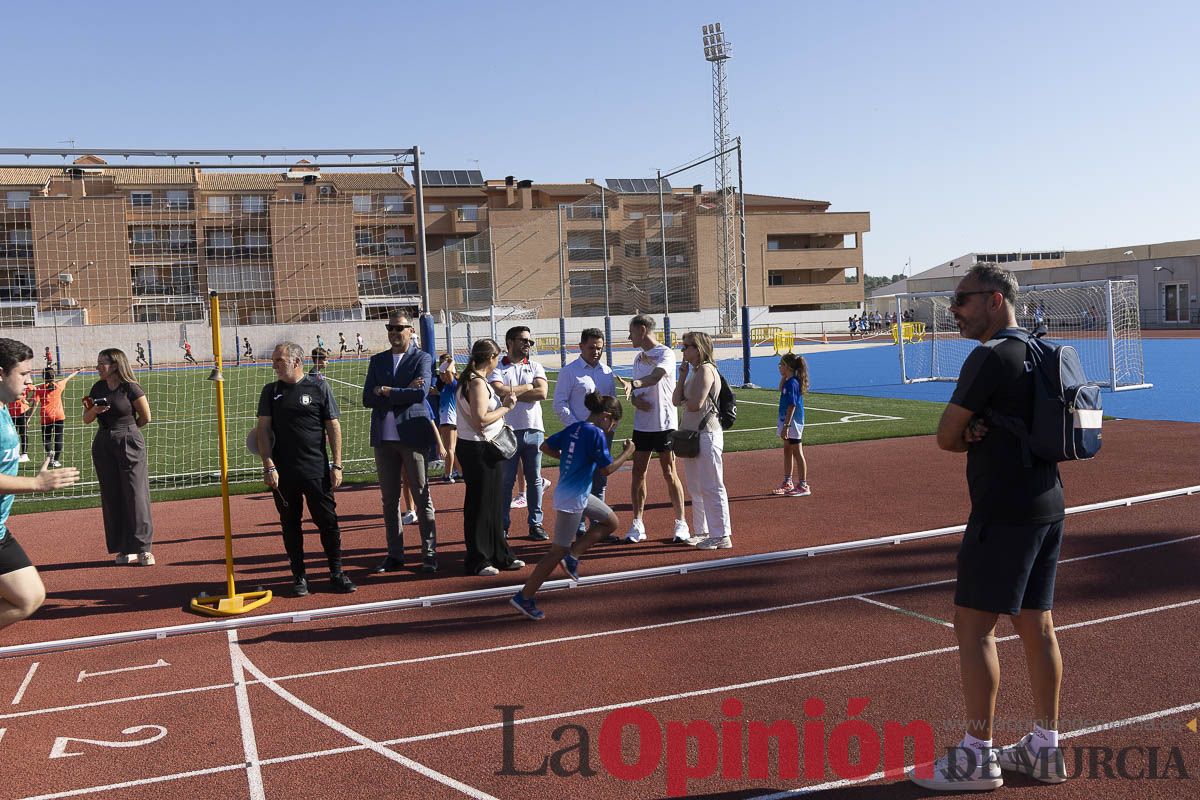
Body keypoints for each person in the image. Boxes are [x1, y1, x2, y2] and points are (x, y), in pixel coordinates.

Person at [909, 264, 1068, 790]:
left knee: (974, 628)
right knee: (1037, 623)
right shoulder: (1042, 350)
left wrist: (972, 430)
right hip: (1048, 502)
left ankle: (977, 755)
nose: (954, 310)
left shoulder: (990, 356)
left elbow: (946, 435)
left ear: (994, 300)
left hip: (1002, 508)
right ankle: (1046, 747)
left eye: (962, 299)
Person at [510, 393, 636, 620]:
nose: (611, 430)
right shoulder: (596, 434)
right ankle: (525, 596)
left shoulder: (576, 427)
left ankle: (574, 555)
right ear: (606, 417)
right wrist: (627, 453)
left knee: (611, 522)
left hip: (578, 493)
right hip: (572, 500)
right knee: (556, 552)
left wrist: (571, 459)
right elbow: (605, 470)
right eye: (613, 425)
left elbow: (545, 446)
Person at [256, 343, 355, 597]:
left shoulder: (319, 387)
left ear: (296, 362)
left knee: (328, 523)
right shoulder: (270, 391)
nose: (274, 364)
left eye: (280, 360)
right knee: (290, 525)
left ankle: (336, 572)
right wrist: (268, 465)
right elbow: (264, 431)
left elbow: (333, 426)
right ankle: (299, 576)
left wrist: (337, 464)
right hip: (283, 474)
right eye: (274, 360)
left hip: (316, 470)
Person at [0, 338, 81, 634]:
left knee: (29, 597)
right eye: (23, 374)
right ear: (0, 373)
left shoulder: (4, 409)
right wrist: (35, 483)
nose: (30, 381)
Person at [362, 312, 439, 574]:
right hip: (384, 439)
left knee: (421, 495)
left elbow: (420, 392)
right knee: (389, 500)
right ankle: (395, 555)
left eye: (399, 328)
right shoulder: (378, 360)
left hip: (412, 436)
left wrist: (386, 390)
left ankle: (428, 554)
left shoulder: (422, 358)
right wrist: (400, 391)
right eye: (390, 328)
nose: (394, 332)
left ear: (410, 330)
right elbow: (367, 398)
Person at [455, 338, 524, 576]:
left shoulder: (474, 380)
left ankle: (500, 554)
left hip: (482, 449)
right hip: (478, 450)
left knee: (492, 503)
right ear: (492, 358)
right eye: (497, 357)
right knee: (480, 505)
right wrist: (506, 408)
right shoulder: (476, 383)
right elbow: (480, 419)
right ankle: (478, 558)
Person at [84, 348, 155, 565]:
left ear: (115, 365)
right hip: (104, 443)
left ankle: (143, 548)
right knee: (112, 494)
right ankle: (124, 548)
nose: (97, 367)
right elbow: (86, 418)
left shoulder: (130, 387)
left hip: (128, 439)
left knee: (135, 493)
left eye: (101, 363)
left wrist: (128, 432)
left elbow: (145, 417)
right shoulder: (97, 388)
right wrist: (95, 411)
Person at [623, 315, 688, 543]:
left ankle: (681, 524)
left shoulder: (665, 353)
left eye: (631, 332)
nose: (628, 336)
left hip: (665, 424)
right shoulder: (638, 358)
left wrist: (635, 384)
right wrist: (634, 400)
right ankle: (637, 524)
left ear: (642, 330)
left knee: (669, 473)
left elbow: (656, 377)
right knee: (637, 473)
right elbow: (636, 392)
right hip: (642, 424)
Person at [672, 332, 733, 549]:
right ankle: (702, 530)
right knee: (696, 487)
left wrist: (685, 398)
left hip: (707, 434)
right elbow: (675, 399)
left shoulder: (707, 370)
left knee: (712, 485)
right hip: (692, 435)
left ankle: (722, 535)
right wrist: (681, 376)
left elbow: (694, 404)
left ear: (698, 348)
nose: (683, 350)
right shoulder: (693, 372)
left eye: (686, 346)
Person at [489, 326, 550, 541]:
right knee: (506, 482)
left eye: (529, 342)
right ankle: (503, 525)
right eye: (524, 340)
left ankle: (536, 523)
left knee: (534, 480)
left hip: (534, 430)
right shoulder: (498, 367)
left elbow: (542, 392)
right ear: (510, 342)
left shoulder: (535, 365)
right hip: (507, 432)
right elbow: (498, 390)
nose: (528, 344)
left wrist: (513, 391)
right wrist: (527, 387)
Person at [553, 329, 617, 531]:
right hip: (580, 437)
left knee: (600, 481)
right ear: (581, 346)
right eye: (591, 347)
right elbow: (559, 403)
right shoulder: (569, 371)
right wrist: (576, 427)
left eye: (599, 348)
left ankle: (597, 527)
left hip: (603, 436)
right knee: (580, 482)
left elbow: (612, 402)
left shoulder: (607, 372)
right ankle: (578, 528)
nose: (596, 351)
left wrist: (612, 423)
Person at [771, 353, 811, 497]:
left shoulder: (793, 383)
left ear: (786, 367)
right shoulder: (788, 381)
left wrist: (787, 426)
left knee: (797, 452)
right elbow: (780, 388)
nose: (779, 367)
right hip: (786, 421)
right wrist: (784, 375)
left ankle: (803, 485)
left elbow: (792, 405)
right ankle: (788, 482)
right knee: (787, 450)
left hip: (792, 422)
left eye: (781, 365)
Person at [32, 366, 82, 467]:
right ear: (54, 376)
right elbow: (68, 377)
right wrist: (77, 371)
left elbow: (34, 404)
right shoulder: (59, 385)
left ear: (43, 377)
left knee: (47, 438)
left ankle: (50, 457)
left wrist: (28, 418)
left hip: (46, 416)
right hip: (59, 415)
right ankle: (56, 460)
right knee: (58, 438)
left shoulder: (39, 388)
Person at [434, 354, 461, 482]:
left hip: (449, 419)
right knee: (453, 449)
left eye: (443, 373)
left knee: (449, 448)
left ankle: (447, 474)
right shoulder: (447, 386)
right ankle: (460, 472)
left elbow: (449, 371)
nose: (442, 375)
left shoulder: (452, 384)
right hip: (450, 419)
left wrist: (452, 362)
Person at [6, 384, 32, 464]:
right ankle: (14, 453)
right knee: (12, 434)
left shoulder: (24, 384)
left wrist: (27, 399)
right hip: (12, 411)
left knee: (23, 432)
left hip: (22, 410)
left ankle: (24, 454)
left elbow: (34, 389)